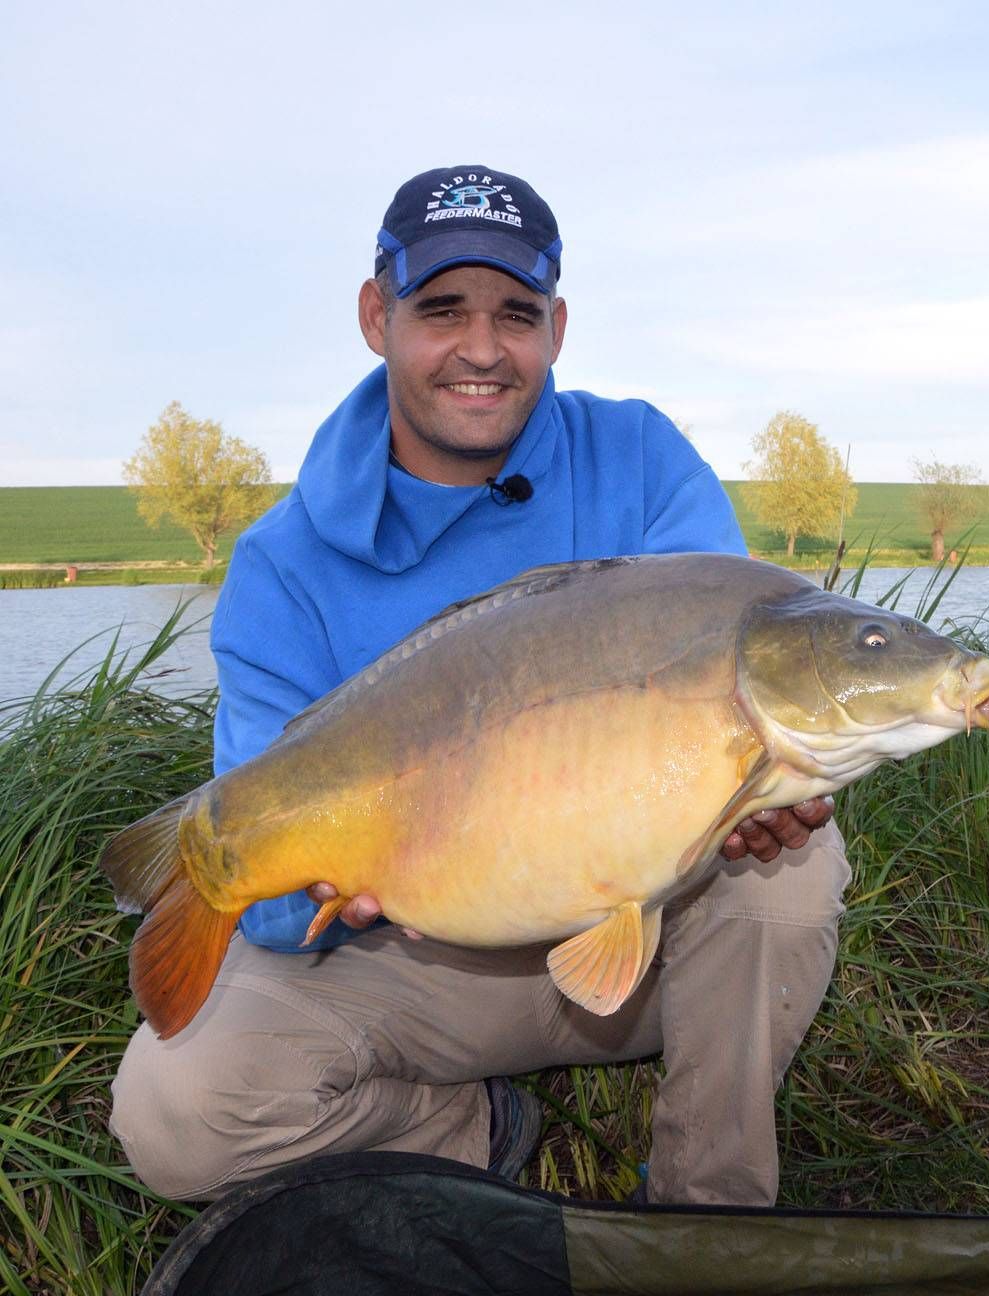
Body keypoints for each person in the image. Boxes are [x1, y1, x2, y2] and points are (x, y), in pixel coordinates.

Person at [109, 166, 849, 1208]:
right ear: (378, 316)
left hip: (649, 933)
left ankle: (704, 1206)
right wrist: (339, 890)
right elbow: (274, 924)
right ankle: (472, 1133)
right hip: (424, 959)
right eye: (442, 310)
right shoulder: (282, 567)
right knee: (176, 1115)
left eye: (517, 313)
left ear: (556, 324)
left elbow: (752, 671)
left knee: (792, 862)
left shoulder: (637, 457)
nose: (483, 348)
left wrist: (767, 798)